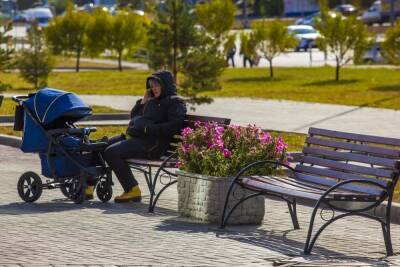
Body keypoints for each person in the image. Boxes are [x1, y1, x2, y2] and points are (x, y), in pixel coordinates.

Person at [86, 70, 187, 202]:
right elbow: (134, 116)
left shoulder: (175, 103)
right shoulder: (152, 100)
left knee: (111, 152)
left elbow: (174, 126)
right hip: (137, 138)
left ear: (165, 85)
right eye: (152, 86)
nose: (154, 88)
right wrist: (143, 102)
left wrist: (147, 129)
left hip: (153, 145)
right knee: (99, 146)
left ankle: (132, 189)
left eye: (157, 85)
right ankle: (89, 185)